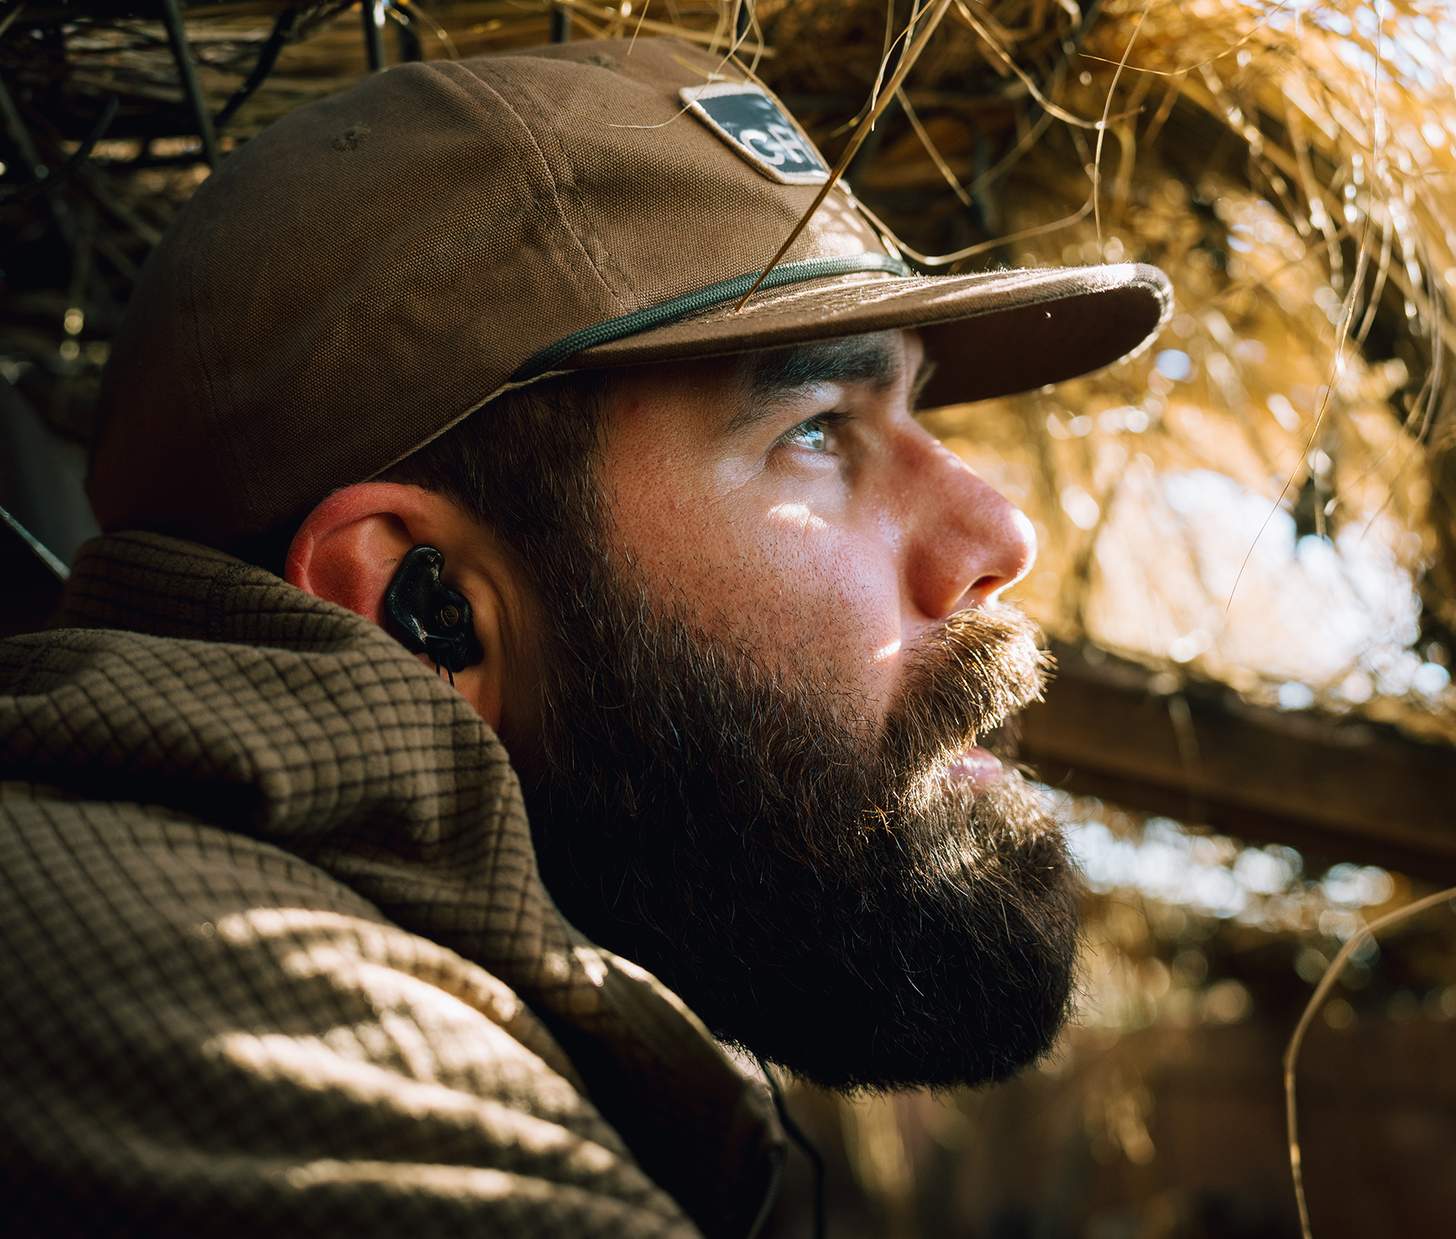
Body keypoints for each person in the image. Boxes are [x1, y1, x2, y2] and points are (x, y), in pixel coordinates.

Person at [0, 35, 1169, 1238]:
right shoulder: (220, 999)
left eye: (911, 406)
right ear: (421, 613)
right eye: (815, 429)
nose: (1002, 533)